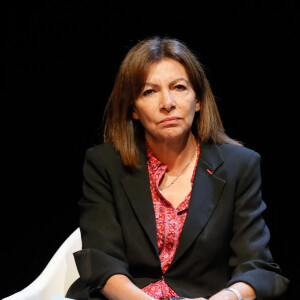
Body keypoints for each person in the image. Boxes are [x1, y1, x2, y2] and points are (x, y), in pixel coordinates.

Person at [66, 36, 289, 300]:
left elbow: (257, 266)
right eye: (149, 91)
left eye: (179, 87)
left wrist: (225, 298)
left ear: (198, 100)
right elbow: (101, 262)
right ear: (133, 109)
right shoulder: (104, 164)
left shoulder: (240, 165)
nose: (167, 103)